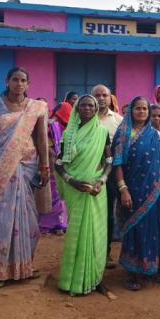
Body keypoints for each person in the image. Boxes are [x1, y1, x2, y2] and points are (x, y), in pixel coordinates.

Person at [0, 67, 50, 289]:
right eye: (15, 79)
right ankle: (0, 270)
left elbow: (41, 139)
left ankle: (24, 265)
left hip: (28, 166)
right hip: (2, 167)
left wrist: (44, 166)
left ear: (28, 84)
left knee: (29, 218)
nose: (19, 84)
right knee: (3, 218)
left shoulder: (36, 107)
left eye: (23, 80)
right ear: (7, 81)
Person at [55, 95, 111, 296]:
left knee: (96, 233)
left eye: (91, 105)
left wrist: (101, 181)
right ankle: (73, 280)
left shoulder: (102, 132)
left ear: (96, 109)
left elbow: (109, 161)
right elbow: (58, 164)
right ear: (77, 109)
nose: (87, 108)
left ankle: (95, 277)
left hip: (96, 189)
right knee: (76, 233)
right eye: (83, 105)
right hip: (75, 190)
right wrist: (72, 182)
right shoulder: (69, 134)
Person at [112, 97, 160, 291]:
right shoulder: (123, 133)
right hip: (132, 190)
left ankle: (149, 268)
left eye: (144, 109)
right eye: (138, 108)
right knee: (135, 228)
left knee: (152, 229)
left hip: (153, 190)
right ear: (130, 111)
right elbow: (117, 163)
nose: (142, 112)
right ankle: (132, 271)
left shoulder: (154, 134)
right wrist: (123, 189)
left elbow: (159, 162)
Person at [92, 84, 123, 267]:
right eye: (97, 95)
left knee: (108, 214)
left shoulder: (118, 120)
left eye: (104, 95)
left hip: (110, 174)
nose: (101, 98)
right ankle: (89, 252)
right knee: (90, 213)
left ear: (110, 97)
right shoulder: (85, 117)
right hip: (88, 173)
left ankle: (106, 253)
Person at [39, 101, 69, 235]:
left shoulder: (56, 125)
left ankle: (55, 224)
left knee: (54, 195)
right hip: (50, 165)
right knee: (53, 195)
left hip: (54, 164)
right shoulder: (51, 125)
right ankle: (52, 225)